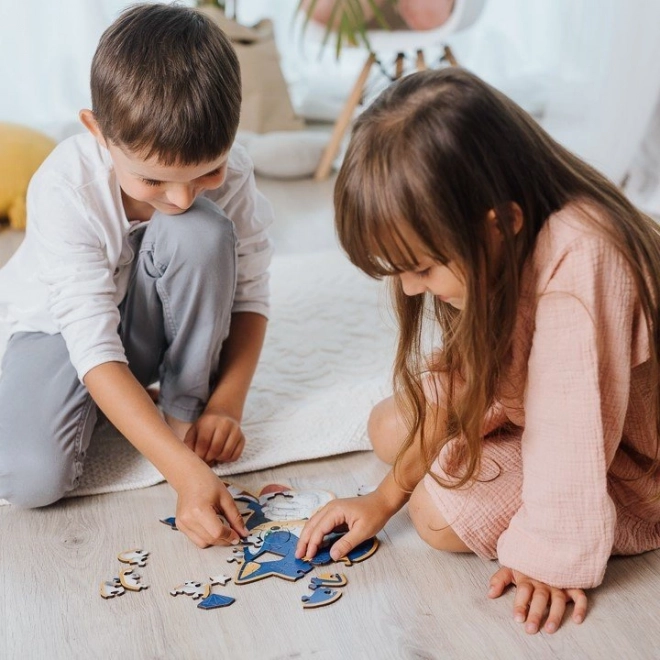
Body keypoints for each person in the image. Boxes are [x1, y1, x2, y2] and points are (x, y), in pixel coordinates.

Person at [295, 67, 660, 634]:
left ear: (500, 225)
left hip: (633, 454)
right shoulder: (502, 239)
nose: (412, 287)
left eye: (422, 268)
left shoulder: (585, 254)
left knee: (437, 517)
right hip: (555, 403)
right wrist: (381, 497)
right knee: (390, 427)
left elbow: (572, 426)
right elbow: (467, 376)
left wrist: (549, 553)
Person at [0, 3, 275, 548]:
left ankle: (178, 406)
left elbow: (250, 294)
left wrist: (226, 404)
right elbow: (91, 342)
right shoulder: (65, 187)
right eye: (153, 179)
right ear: (96, 131)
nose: (180, 196)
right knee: (28, 478)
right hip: (57, 331)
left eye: (207, 172)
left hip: (148, 325)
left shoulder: (234, 172)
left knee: (201, 229)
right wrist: (183, 472)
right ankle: (124, 407)